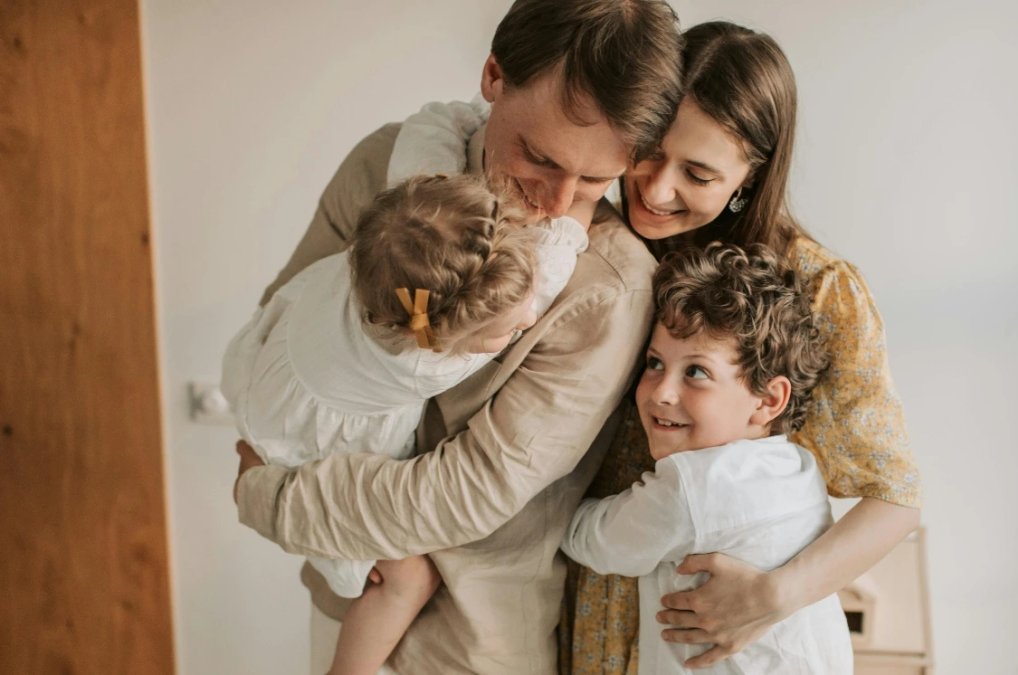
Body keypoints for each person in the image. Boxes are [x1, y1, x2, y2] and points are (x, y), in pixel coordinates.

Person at [231, 1, 684, 673]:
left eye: (595, 178)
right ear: (494, 76)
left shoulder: (609, 286)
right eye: (539, 157)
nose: (558, 202)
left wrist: (267, 496)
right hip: (343, 599)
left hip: (472, 645)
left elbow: (471, 489)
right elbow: (288, 326)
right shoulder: (384, 164)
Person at [563, 21, 921, 673]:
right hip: (578, 605)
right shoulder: (588, 243)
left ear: (749, 177)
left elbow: (893, 499)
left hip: (708, 631)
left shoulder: (816, 290)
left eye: (697, 173)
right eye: (649, 149)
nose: (656, 186)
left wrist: (772, 595)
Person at [222, 171, 592, 675]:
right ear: (439, 337)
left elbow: (426, 140)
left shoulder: (390, 243)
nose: (528, 319)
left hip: (268, 384)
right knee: (409, 578)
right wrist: (576, 217)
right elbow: (549, 274)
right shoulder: (423, 360)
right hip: (301, 439)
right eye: (503, 332)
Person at [561, 242, 853, 674]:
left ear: (768, 399)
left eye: (696, 372)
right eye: (655, 363)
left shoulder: (695, 485)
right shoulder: (797, 468)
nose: (662, 391)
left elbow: (596, 541)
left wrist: (557, 494)